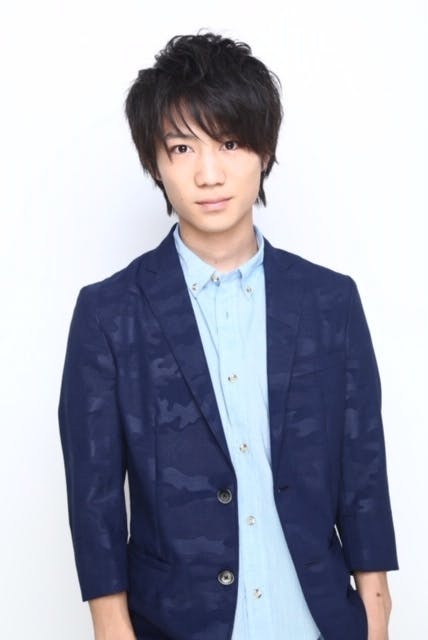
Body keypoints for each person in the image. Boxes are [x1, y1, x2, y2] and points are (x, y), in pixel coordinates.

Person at [58, 32, 399, 640]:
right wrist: (110, 626)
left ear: (264, 151)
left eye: (231, 143)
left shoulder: (329, 302)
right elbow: (94, 498)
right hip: (177, 623)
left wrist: (377, 611)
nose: (209, 173)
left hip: (317, 620)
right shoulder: (109, 315)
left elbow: (363, 468)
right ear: (155, 163)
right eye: (182, 147)